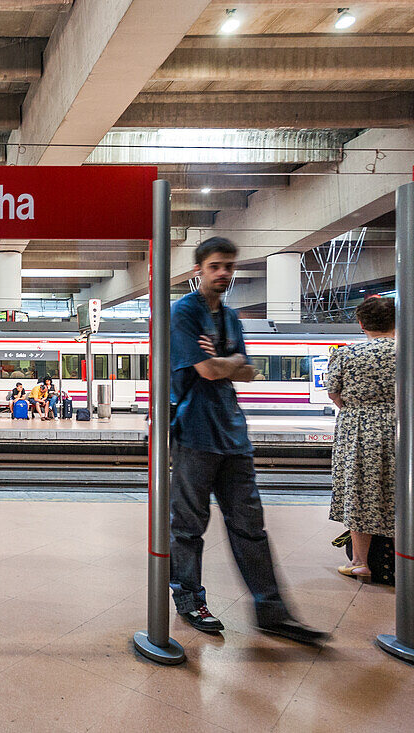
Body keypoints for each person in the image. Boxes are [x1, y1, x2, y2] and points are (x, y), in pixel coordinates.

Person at [168, 237, 328, 645]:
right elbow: (206, 370)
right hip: (195, 432)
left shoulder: (232, 317)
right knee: (188, 527)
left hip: (233, 436)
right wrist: (229, 363)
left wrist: (229, 364)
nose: (224, 273)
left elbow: (247, 371)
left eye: (229, 266)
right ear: (198, 271)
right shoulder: (183, 313)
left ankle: (272, 612)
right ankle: (190, 601)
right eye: (216, 266)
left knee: (250, 528)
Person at [328, 297, 414, 580]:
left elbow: (334, 394)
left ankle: (360, 562)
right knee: (405, 493)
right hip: (408, 427)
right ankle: (403, 563)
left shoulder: (345, 355)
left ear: (361, 324)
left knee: (361, 492)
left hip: (359, 430)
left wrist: (361, 411)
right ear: (397, 321)